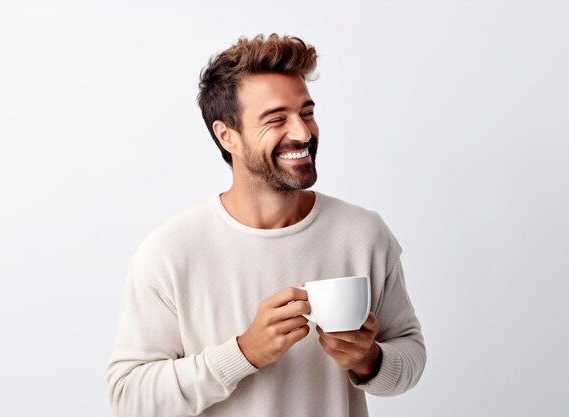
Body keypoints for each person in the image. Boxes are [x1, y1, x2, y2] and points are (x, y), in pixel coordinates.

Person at [107, 33, 426, 417]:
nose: (303, 133)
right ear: (227, 137)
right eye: (277, 119)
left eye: (306, 112)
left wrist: (369, 360)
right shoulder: (170, 253)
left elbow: (410, 356)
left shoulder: (364, 234)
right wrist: (244, 353)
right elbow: (129, 398)